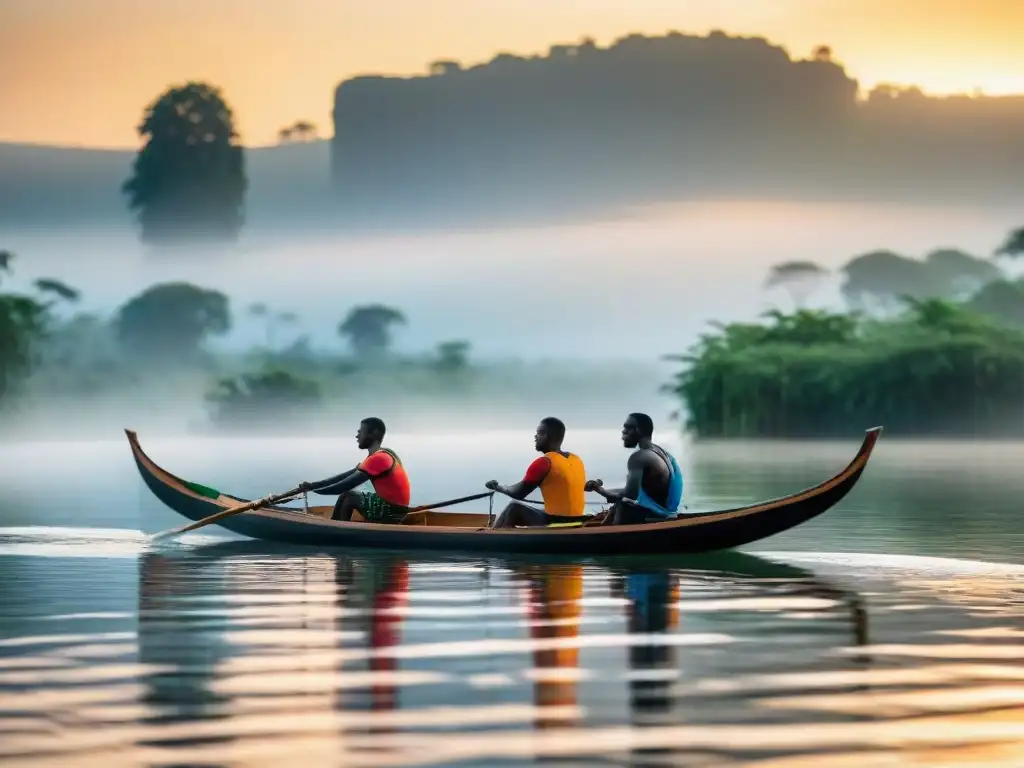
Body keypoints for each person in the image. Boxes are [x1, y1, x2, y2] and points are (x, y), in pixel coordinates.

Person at [298, 417, 411, 524]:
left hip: (392, 512)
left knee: (349, 496)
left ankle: (338, 531)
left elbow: (343, 486)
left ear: (374, 434)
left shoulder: (380, 458)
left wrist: (314, 490)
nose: (357, 436)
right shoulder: (382, 453)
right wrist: (312, 486)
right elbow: (344, 477)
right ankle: (336, 522)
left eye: (361, 432)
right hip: (395, 508)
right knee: (350, 495)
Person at [485, 417, 587, 528]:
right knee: (541, 509)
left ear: (548, 436)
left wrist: (498, 487)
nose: (535, 437)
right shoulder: (576, 459)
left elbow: (518, 493)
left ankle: (494, 536)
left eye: (539, 433)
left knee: (513, 508)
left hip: (558, 522)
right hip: (579, 519)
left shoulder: (544, 462)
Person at [585, 413, 683, 525]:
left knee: (622, 506)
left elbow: (629, 495)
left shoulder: (639, 457)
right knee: (618, 506)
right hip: (667, 514)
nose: (623, 432)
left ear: (639, 430)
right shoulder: (660, 451)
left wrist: (601, 491)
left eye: (628, 428)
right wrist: (600, 489)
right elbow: (631, 490)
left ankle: (612, 537)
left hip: (656, 516)